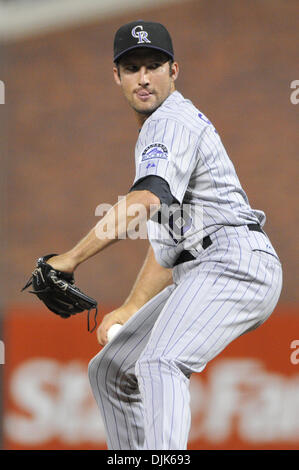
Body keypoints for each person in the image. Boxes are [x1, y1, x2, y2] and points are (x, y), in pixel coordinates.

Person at [47, 20, 283, 450]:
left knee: (160, 362)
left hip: (234, 262)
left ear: (174, 70)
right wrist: (134, 305)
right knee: (112, 371)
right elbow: (173, 238)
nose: (143, 77)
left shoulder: (170, 122)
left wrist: (71, 258)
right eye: (132, 67)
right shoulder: (157, 130)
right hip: (203, 264)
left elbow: (148, 198)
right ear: (116, 75)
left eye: (153, 65)